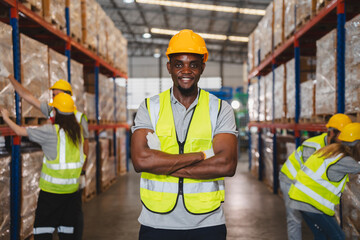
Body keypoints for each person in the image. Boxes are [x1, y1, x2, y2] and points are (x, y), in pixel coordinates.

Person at [130, 29, 238, 240]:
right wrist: (199, 155)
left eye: (193, 64)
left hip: (207, 223)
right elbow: (140, 160)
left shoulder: (219, 109)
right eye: (179, 64)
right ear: (169, 67)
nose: (186, 70)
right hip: (156, 222)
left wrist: (163, 166)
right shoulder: (149, 107)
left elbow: (226, 164)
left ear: (202, 68)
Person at [0, 61, 88, 239]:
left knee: (63, 226)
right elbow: (27, 96)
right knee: (67, 227)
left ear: (67, 96)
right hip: (69, 186)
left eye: (56, 95)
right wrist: (8, 76)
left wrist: (82, 171)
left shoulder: (77, 119)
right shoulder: (61, 115)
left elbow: (84, 146)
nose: (52, 99)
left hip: (63, 187)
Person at [279, 113, 352, 240]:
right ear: (332, 132)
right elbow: (309, 177)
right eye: (343, 134)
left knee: (319, 226)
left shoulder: (336, 147)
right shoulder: (313, 146)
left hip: (305, 185)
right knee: (294, 219)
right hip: (290, 179)